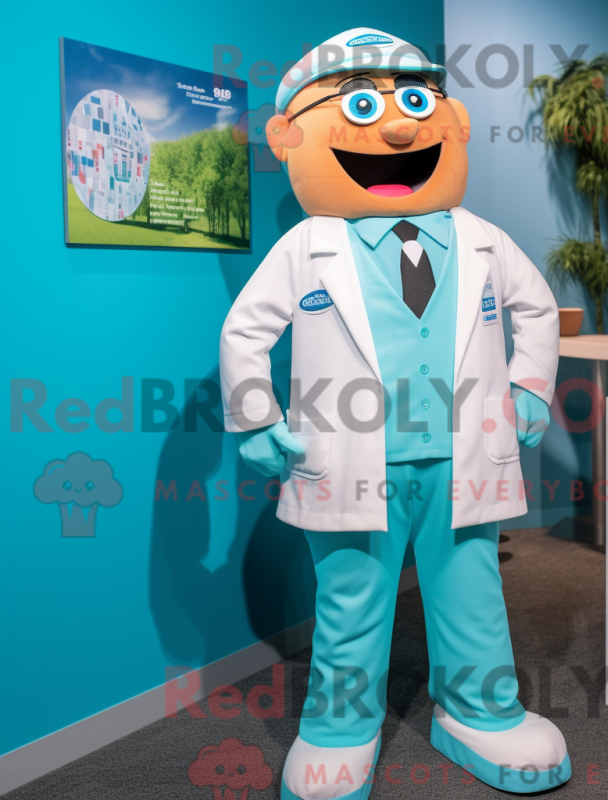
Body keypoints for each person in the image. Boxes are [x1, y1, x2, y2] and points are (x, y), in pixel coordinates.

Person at [220, 28, 568, 799]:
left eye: (416, 102)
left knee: (472, 590)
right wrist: (256, 417)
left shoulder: (480, 239)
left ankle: (481, 711)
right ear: (289, 137)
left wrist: (528, 386)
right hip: (351, 462)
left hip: (461, 457)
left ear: (453, 122)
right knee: (351, 600)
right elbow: (245, 331)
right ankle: (340, 729)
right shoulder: (308, 245)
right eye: (364, 107)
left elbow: (538, 308)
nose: (401, 130)